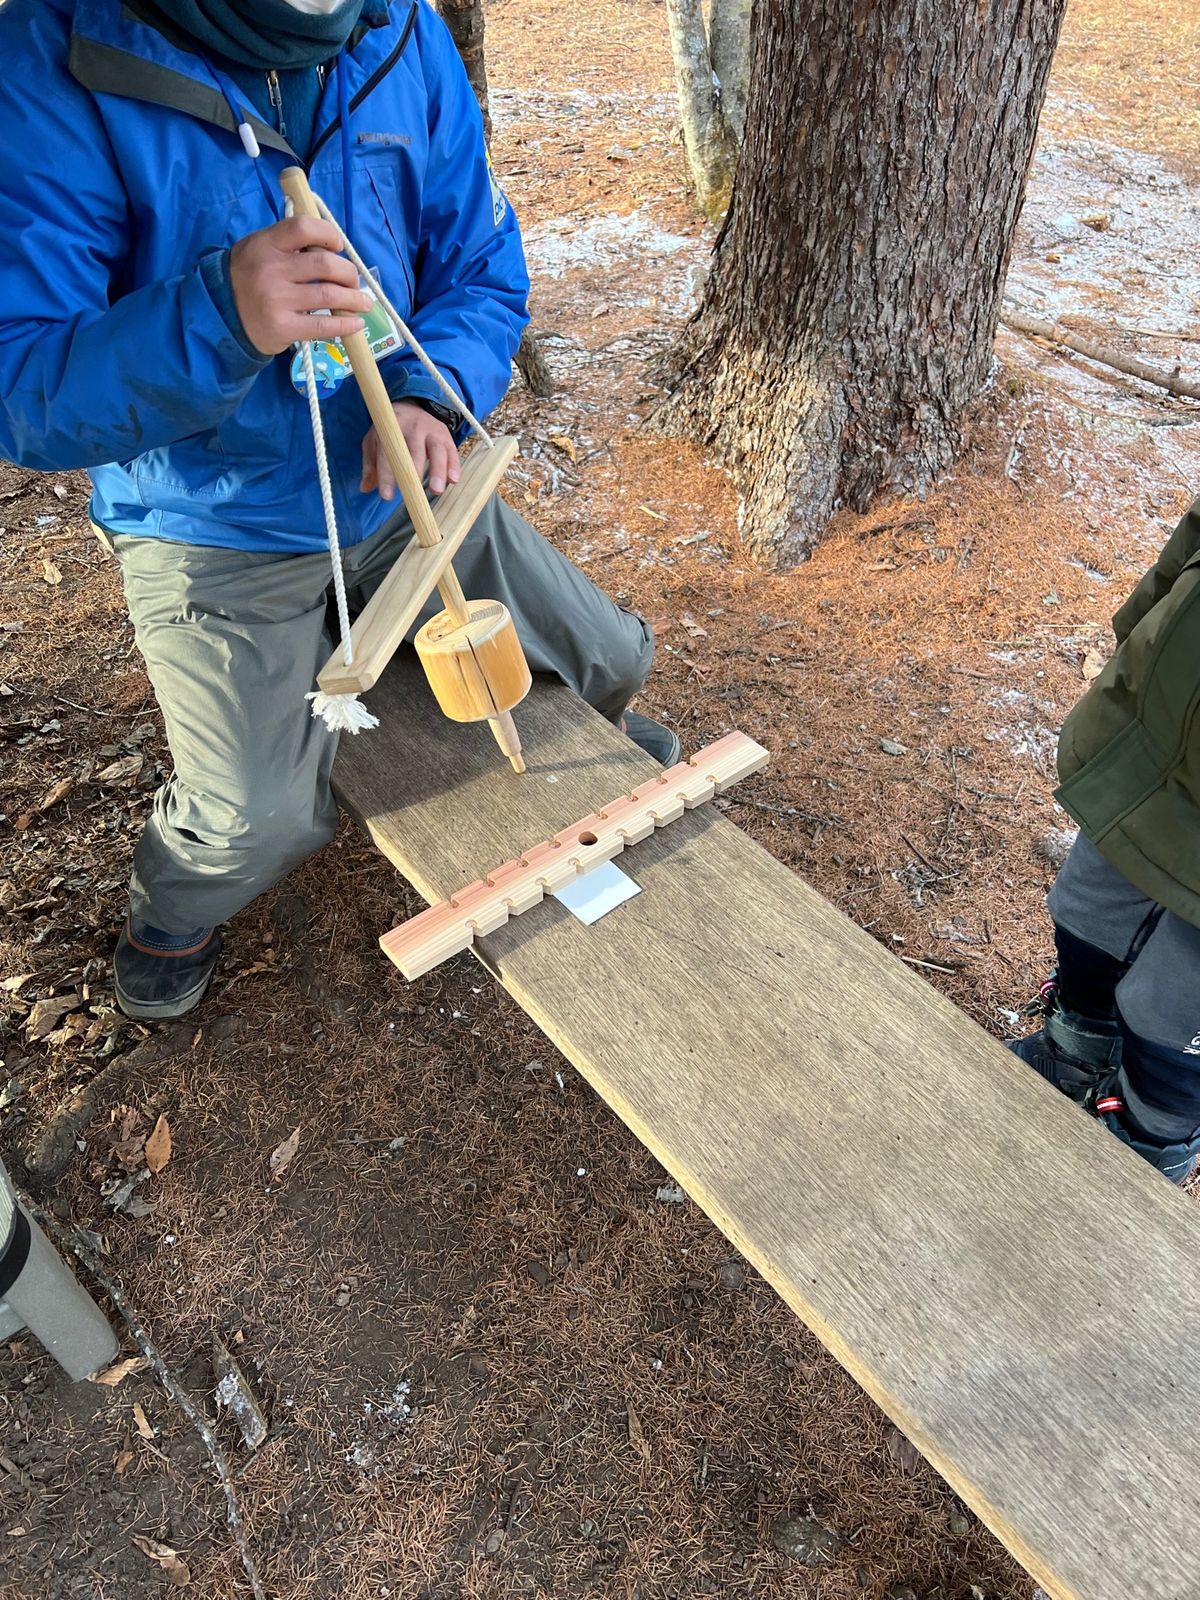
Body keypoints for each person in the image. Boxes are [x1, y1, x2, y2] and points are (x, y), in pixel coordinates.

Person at [0, 0, 677, 1022]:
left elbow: (481, 267)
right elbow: (22, 386)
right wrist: (218, 314)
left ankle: (593, 767)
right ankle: (167, 909)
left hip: (395, 489)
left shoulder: (400, 30)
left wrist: (426, 387)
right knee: (252, 824)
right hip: (212, 517)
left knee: (612, 657)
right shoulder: (60, 52)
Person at [1011, 496, 1200, 1185]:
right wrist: (1139, 643)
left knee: (1173, 1010)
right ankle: (1073, 1057)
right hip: (1155, 752)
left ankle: (1146, 1148)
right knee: (1087, 914)